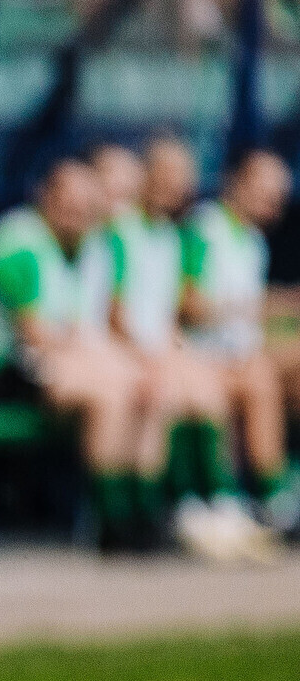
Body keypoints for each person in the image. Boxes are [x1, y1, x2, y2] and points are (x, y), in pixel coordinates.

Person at [0, 151, 160, 550]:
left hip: (39, 363)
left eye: (85, 208)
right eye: (67, 204)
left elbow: (73, 329)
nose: (76, 215)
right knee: (110, 394)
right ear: (44, 196)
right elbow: (34, 335)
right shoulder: (15, 242)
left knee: (144, 385)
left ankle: (141, 510)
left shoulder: (79, 245)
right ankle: (111, 520)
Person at [109, 134, 267, 561]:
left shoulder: (167, 235)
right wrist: (151, 354)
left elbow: (166, 314)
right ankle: (159, 509)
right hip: (126, 349)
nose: (176, 184)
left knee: (207, 389)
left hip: (158, 347)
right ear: (146, 174)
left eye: (183, 176)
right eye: (167, 173)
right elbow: (115, 311)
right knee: (175, 389)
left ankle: (215, 501)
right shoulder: (121, 229)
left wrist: (171, 347)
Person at [182, 145, 300, 536]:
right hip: (202, 352)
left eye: (279, 194)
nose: (274, 201)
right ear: (236, 182)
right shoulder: (203, 229)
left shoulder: (253, 240)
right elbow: (190, 307)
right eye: (266, 190)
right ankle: (268, 497)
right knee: (259, 379)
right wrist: (269, 305)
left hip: (240, 351)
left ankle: (278, 491)